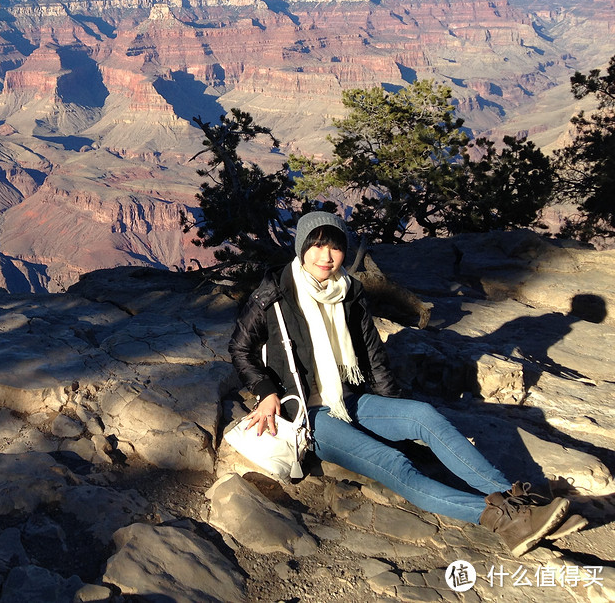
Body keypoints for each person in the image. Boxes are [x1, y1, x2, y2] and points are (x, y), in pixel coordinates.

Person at [229, 211, 570, 557]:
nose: (326, 257)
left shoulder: (349, 291)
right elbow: (241, 348)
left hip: (350, 397)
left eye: (334, 247)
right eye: (316, 246)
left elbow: (373, 356)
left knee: (422, 415)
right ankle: (499, 519)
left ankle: (517, 503)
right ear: (302, 248)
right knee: (393, 463)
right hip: (308, 414)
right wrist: (266, 392)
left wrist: (397, 411)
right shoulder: (275, 292)